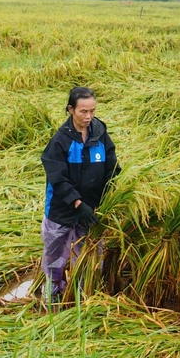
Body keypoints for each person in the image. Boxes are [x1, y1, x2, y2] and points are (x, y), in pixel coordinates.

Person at [40, 87, 121, 302]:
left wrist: (109, 197)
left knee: (90, 253)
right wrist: (77, 202)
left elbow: (112, 168)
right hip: (62, 209)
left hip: (91, 208)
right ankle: (53, 292)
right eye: (83, 112)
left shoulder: (100, 134)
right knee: (55, 253)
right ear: (70, 110)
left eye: (92, 111)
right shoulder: (60, 142)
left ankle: (85, 294)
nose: (88, 117)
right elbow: (58, 179)